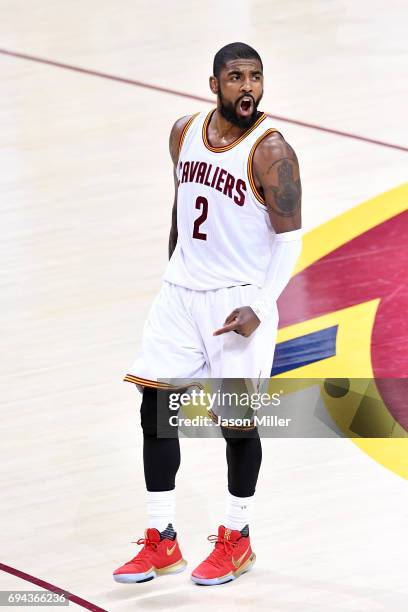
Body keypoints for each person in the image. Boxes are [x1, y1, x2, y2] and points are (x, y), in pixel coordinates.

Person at [113, 42, 302, 586]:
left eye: (256, 78)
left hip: (237, 301)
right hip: (182, 292)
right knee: (155, 410)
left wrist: (260, 307)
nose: (248, 87)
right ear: (214, 83)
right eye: (237, 77)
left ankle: (238, 537)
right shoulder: (183, 132)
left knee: (237, 427)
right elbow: (182, 205)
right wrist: (175, 269)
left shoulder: (273, 153)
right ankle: (161, 539)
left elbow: (290, 241)